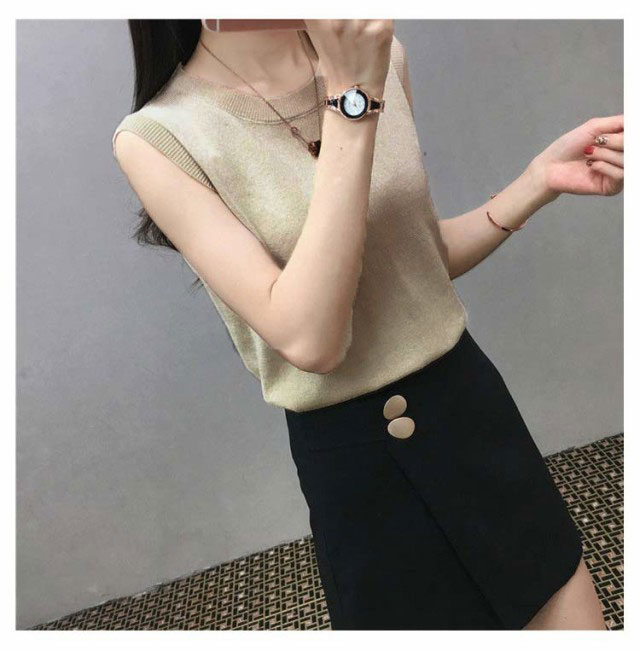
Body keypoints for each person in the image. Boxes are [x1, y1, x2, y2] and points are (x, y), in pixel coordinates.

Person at [112, 19, 622, 630]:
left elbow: (413, 262)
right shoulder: (161, 138)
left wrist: (537, 182)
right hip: (359, 465)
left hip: (470, 408)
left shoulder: (384, 59)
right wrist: (353, 101)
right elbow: (310, 338)